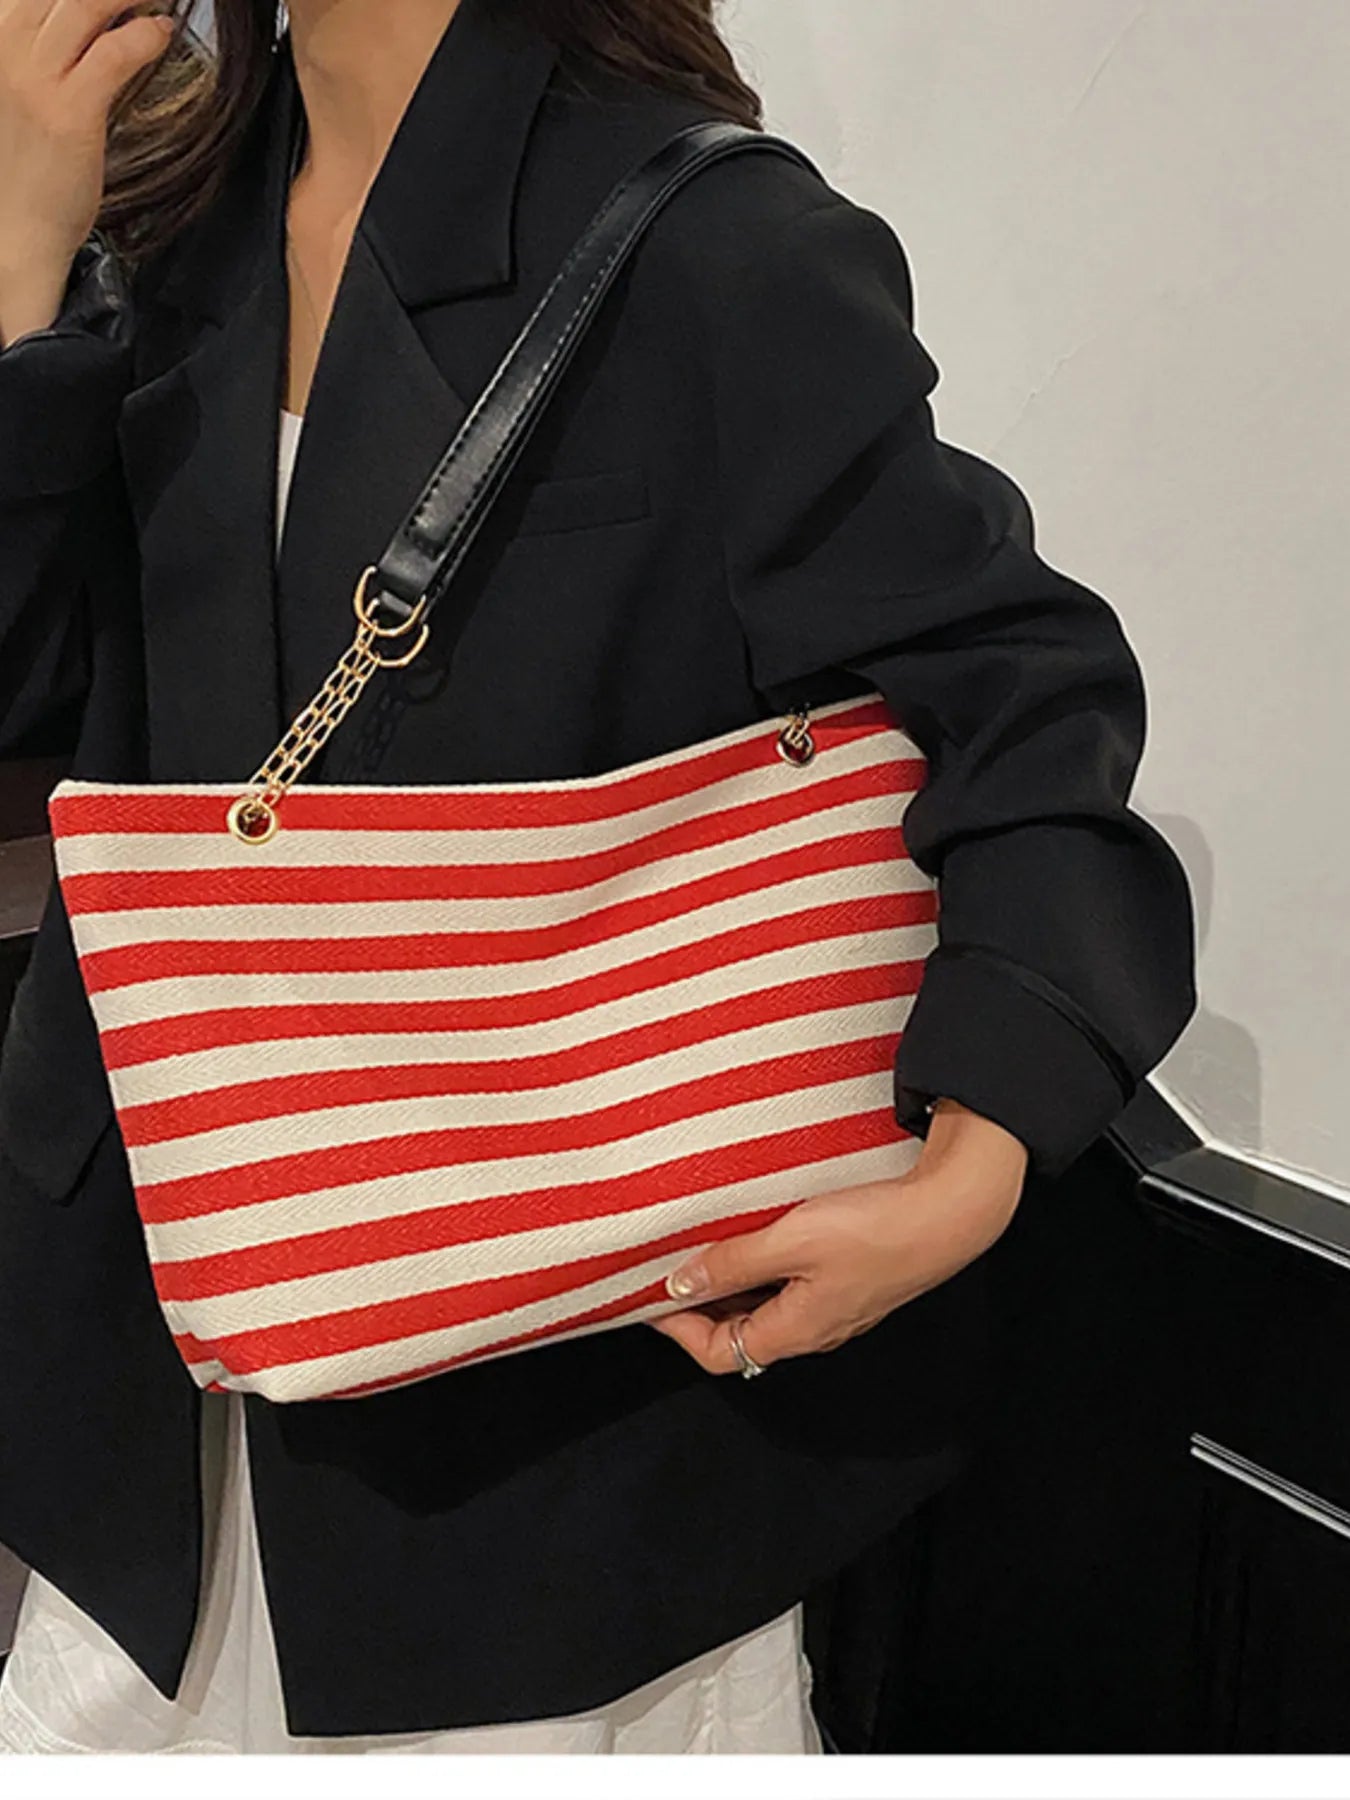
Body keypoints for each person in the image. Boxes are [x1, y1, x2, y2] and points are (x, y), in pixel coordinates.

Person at [0, 0, 1198, 1755]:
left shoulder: (708, 238)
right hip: (154, 1422)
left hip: (537, 1450)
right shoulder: (172, 223)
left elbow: (1024, 698)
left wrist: (969, 1172)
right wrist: (25, 240)